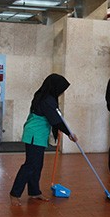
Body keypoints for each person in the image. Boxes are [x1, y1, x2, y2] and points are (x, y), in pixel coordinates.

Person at [10, 74, 77, 206]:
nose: (61, 93)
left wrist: (63, 129)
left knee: (37, 165)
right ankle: (14, 194)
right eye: (61, 89)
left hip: (38, 134)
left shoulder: (44, 96)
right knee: (30, 165)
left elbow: (55, 118)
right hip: (34, 134)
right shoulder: (47, 100)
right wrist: (69, 133)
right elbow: (55, 120)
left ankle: (34, 191)